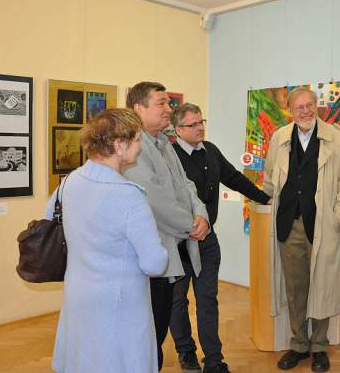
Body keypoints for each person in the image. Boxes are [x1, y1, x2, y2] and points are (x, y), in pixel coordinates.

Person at [48, 108, 168, 373]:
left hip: (78, 294)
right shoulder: (129, 196)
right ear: (119, 145)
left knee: (84, 360)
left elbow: (50, 223)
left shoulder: (68, 182)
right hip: (119, 304)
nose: (140, 147)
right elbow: (154, 264)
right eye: (137, 140)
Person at [169, 103, 272, 373]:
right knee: (177, 301)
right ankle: (186, 351)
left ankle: (214, 360)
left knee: (208, 299)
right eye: (192, 124)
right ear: (178, 129)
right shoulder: (169, 156)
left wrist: (265, 198)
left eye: (201, 122)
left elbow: (233, 178)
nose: (200, 128)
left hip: (207, 242)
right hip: (178, 244)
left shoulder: (210, 151)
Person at [262, 88, 340, 372]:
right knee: (296, 288)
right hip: (289, 224)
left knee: (322, 286)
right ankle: (299, 344)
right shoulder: (279, 137)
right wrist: (265, 197)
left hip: (323, 224)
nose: (305, 111)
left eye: (310, 105)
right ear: (290, 111)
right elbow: (270, 176)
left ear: (317, 106)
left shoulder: (336, 137)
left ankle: (320, 346)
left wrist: (339, 219)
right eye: (299, 107)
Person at [123, 82, 210, 371]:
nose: (168, 109)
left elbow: (186, 185)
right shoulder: (134, 147)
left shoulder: (163, 142)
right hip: (153, 256)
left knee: (158, 328)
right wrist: (191, 225)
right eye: (161, 103)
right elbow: (155, 200)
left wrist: (201, 215)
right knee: (150, 333)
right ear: (138, 108)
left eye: (168, 103)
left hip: (174, 246)